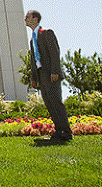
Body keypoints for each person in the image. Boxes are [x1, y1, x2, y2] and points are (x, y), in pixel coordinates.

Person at [25, 9, 72, 143]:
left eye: (27, 17)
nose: (25, 20)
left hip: (51, 73)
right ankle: (59, 131)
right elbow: (34, 61)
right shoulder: (32, 39)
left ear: (35, 19)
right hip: (41, 75)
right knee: (49, 103)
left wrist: (55, 71)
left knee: (56, 102)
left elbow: (54, 52)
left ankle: (66, 132)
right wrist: (34, 78)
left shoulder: (46, 33)